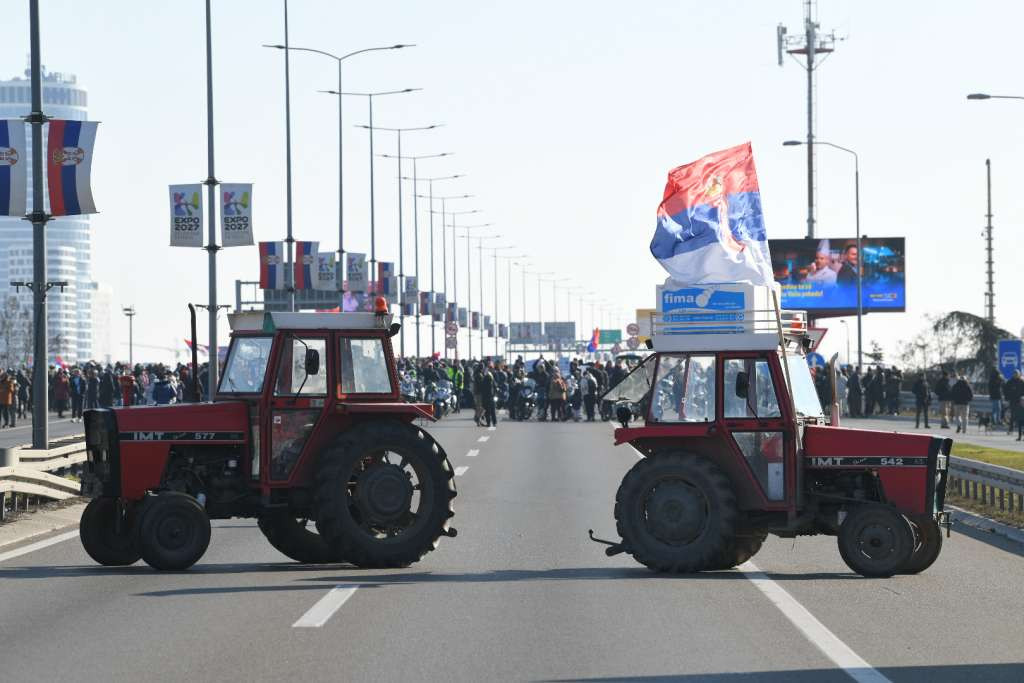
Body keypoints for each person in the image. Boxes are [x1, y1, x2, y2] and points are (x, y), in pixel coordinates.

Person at [1004, 370, 1024, 436]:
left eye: (1016, 374)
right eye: (1014, 374)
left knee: (1021, 416)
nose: (1015, 375)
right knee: (1012, 415)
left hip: (1020, 401)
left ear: (1019, 374)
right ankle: (1011, 429)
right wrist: (1007, 398)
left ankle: (1021, 431)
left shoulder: (1021, 382)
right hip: (1012, 401)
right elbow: (1005, 390)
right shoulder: (1010, 382)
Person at [480, 363, 497, 428]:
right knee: (491, 410)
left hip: (487, 396)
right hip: (490, 396)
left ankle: (490, 423)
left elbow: (483, 387)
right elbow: (495, 385)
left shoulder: (486, 377)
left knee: (488, 410)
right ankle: (493, 422)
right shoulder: (490, 376)